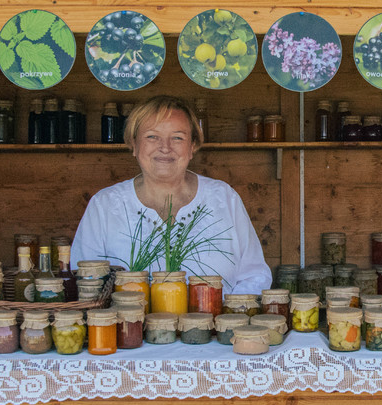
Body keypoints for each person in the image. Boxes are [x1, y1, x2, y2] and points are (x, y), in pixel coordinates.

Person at [70, 95, 272, 295]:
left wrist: (228, 320)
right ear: (134, 144)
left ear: (192, 147)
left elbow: (254, 276)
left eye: (177, 137)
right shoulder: (105, 205)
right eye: (152, 136)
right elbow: (86, 284)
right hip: (127, 326)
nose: (165, 147)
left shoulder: (224, 198)